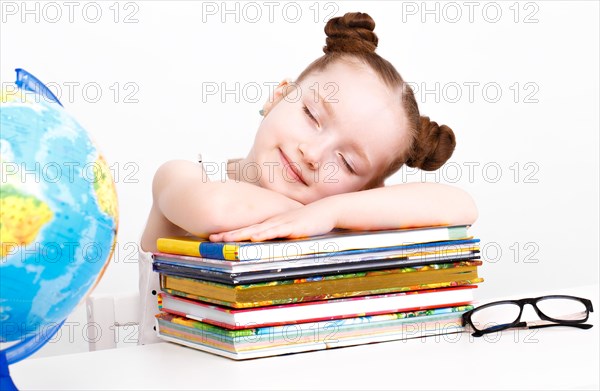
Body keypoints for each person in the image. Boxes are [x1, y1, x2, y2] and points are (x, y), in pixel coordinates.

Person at [138, 12, 478, 345]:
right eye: (311, 115)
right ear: (279, 96)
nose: (313, 154)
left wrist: (331, 211)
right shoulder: (187, 174)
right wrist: (328, 212)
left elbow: (460, 205)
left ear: (367, 191)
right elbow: (217, 209)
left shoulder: (332, 213)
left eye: (346, 163)